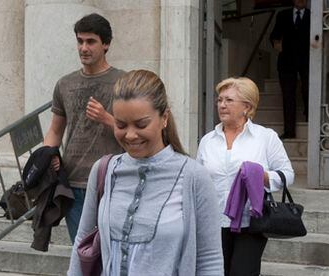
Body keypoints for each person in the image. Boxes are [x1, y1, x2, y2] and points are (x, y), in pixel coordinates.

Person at [68, 70, 224, 276]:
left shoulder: (194, 177)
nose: (130, 135)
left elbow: (209, 260)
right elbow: (82, 240)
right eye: (121, 125)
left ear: (164, 118)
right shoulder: (103, 171)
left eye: (141, 124)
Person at [197, 77, 294, 276]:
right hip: (213, 223)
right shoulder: (208, 140)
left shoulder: (265, 137)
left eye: (229, 100)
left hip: (251, 222)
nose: (222, 105)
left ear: (247, 107)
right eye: (220, 100)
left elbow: (288, 174)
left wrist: (260, 176)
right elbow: (199, 181)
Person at [43, 13, 125, 243]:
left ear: (106, 44)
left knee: (113, 251)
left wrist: (106, 118)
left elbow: (135, 133)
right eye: (80, 41)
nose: (84, 48)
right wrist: (48, 155)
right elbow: (55, 131)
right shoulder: (64, 84)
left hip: (113, 181)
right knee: (83, 254)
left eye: (91, 41)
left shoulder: (124, 82)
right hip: (74, 183)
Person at [270, 0, 310, 139]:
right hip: (286, 62)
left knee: (308, 91)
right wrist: (277, 44)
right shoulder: (283, 15)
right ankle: (289, 131)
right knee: (288, 96)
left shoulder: (313, 15)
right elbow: (274, 35)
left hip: (308, 61)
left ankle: (310, 122)